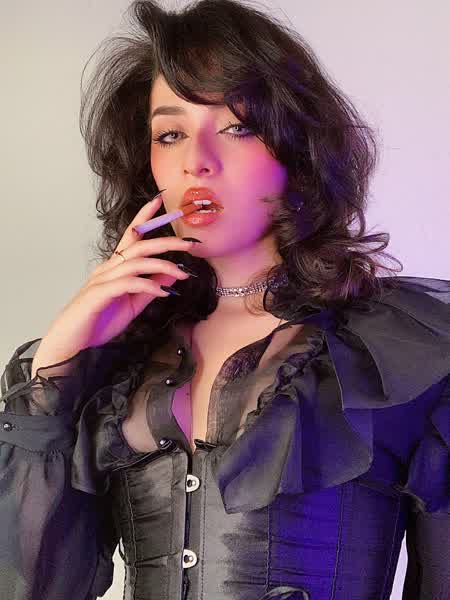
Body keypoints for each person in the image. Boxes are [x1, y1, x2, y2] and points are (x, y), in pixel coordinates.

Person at [1, 0, 449, 598]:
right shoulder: (109, 366)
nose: (197, 162)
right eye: (170, 134)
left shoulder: (401, 353)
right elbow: (29, 584)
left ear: (296, 146)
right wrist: (58, 365)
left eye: (238, 127)